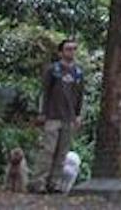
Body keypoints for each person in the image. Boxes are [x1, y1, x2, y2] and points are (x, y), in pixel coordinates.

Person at [30, 38, 84, 193]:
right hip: (53, 115)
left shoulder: (78, 72)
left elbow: (79, 95)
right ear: (61, 52)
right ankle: (39, 182)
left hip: (69, 117)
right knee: (48, 150)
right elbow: (44, 92)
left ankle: (54, 183)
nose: (71, 52)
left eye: (74, 49)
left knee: (62, 153)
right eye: (68, 49)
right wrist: (42, 112)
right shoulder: (53, 70)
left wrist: (78, 115)